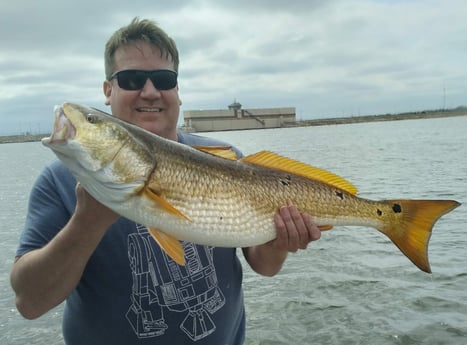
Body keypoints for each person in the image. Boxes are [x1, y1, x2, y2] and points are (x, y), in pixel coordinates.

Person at [10, 17, 321, 345]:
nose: (149, 91)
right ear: (108, 90)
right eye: (131, 79)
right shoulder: (59, 181)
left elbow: (265, 265)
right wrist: (87, 222)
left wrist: (281, 242)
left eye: (163, 79)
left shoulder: (226, 157)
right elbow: (30, 303)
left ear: (177, 90)